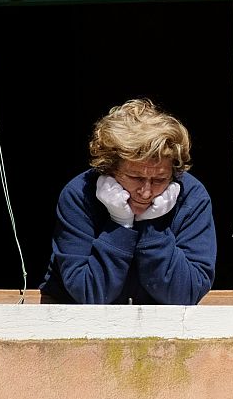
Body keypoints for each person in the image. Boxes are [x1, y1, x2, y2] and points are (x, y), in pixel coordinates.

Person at [39, 99, 216, 305]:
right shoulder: (79, 195)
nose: (146, 192)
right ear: (109, 169)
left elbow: (187, 294)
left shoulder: (192, 197)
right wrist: (120, 224)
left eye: (159, 179)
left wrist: (150, 227)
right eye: (135, 178)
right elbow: (89, 293)